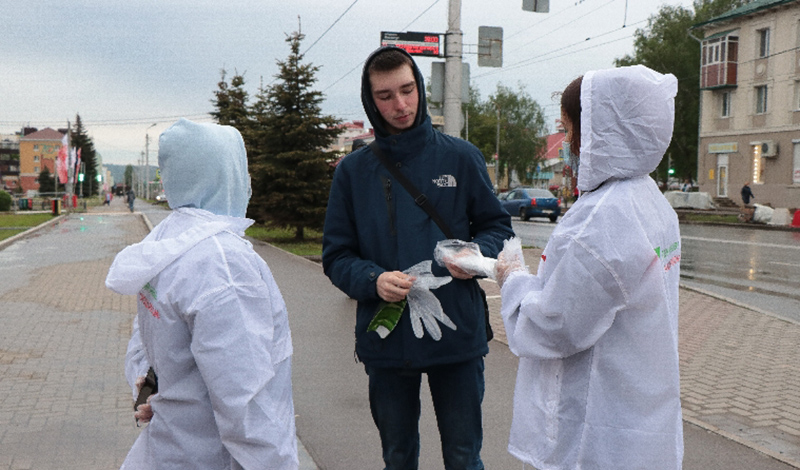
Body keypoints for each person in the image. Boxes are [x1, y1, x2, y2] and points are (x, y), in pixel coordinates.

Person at [322, 46, 513, 470]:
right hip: (387, 336)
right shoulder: (353, 172)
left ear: (421, 89)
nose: (400, 105)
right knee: (398, 456)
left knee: (464, 457)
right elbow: (335, 255)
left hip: (456, 333)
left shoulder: (461, 158)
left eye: (407, 90)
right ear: (370, 101)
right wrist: (372, 279)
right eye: (385, 96)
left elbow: (498, 227)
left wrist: (474, 255)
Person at [496, 65, 684, 469]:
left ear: (597, 131)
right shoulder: (649, 200)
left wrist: (511, 278)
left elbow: (554, 327)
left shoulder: (599, 222)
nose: (566, 143)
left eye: (567, 130)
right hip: (642, 411)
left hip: (598, 427)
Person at [106, 119, 299, 469]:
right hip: (212, 457)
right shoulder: (223, 265)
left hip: (169, 448)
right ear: (227, 174)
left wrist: (149, 387)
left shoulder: (168, 243)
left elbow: (150, 342)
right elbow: (245, 402)